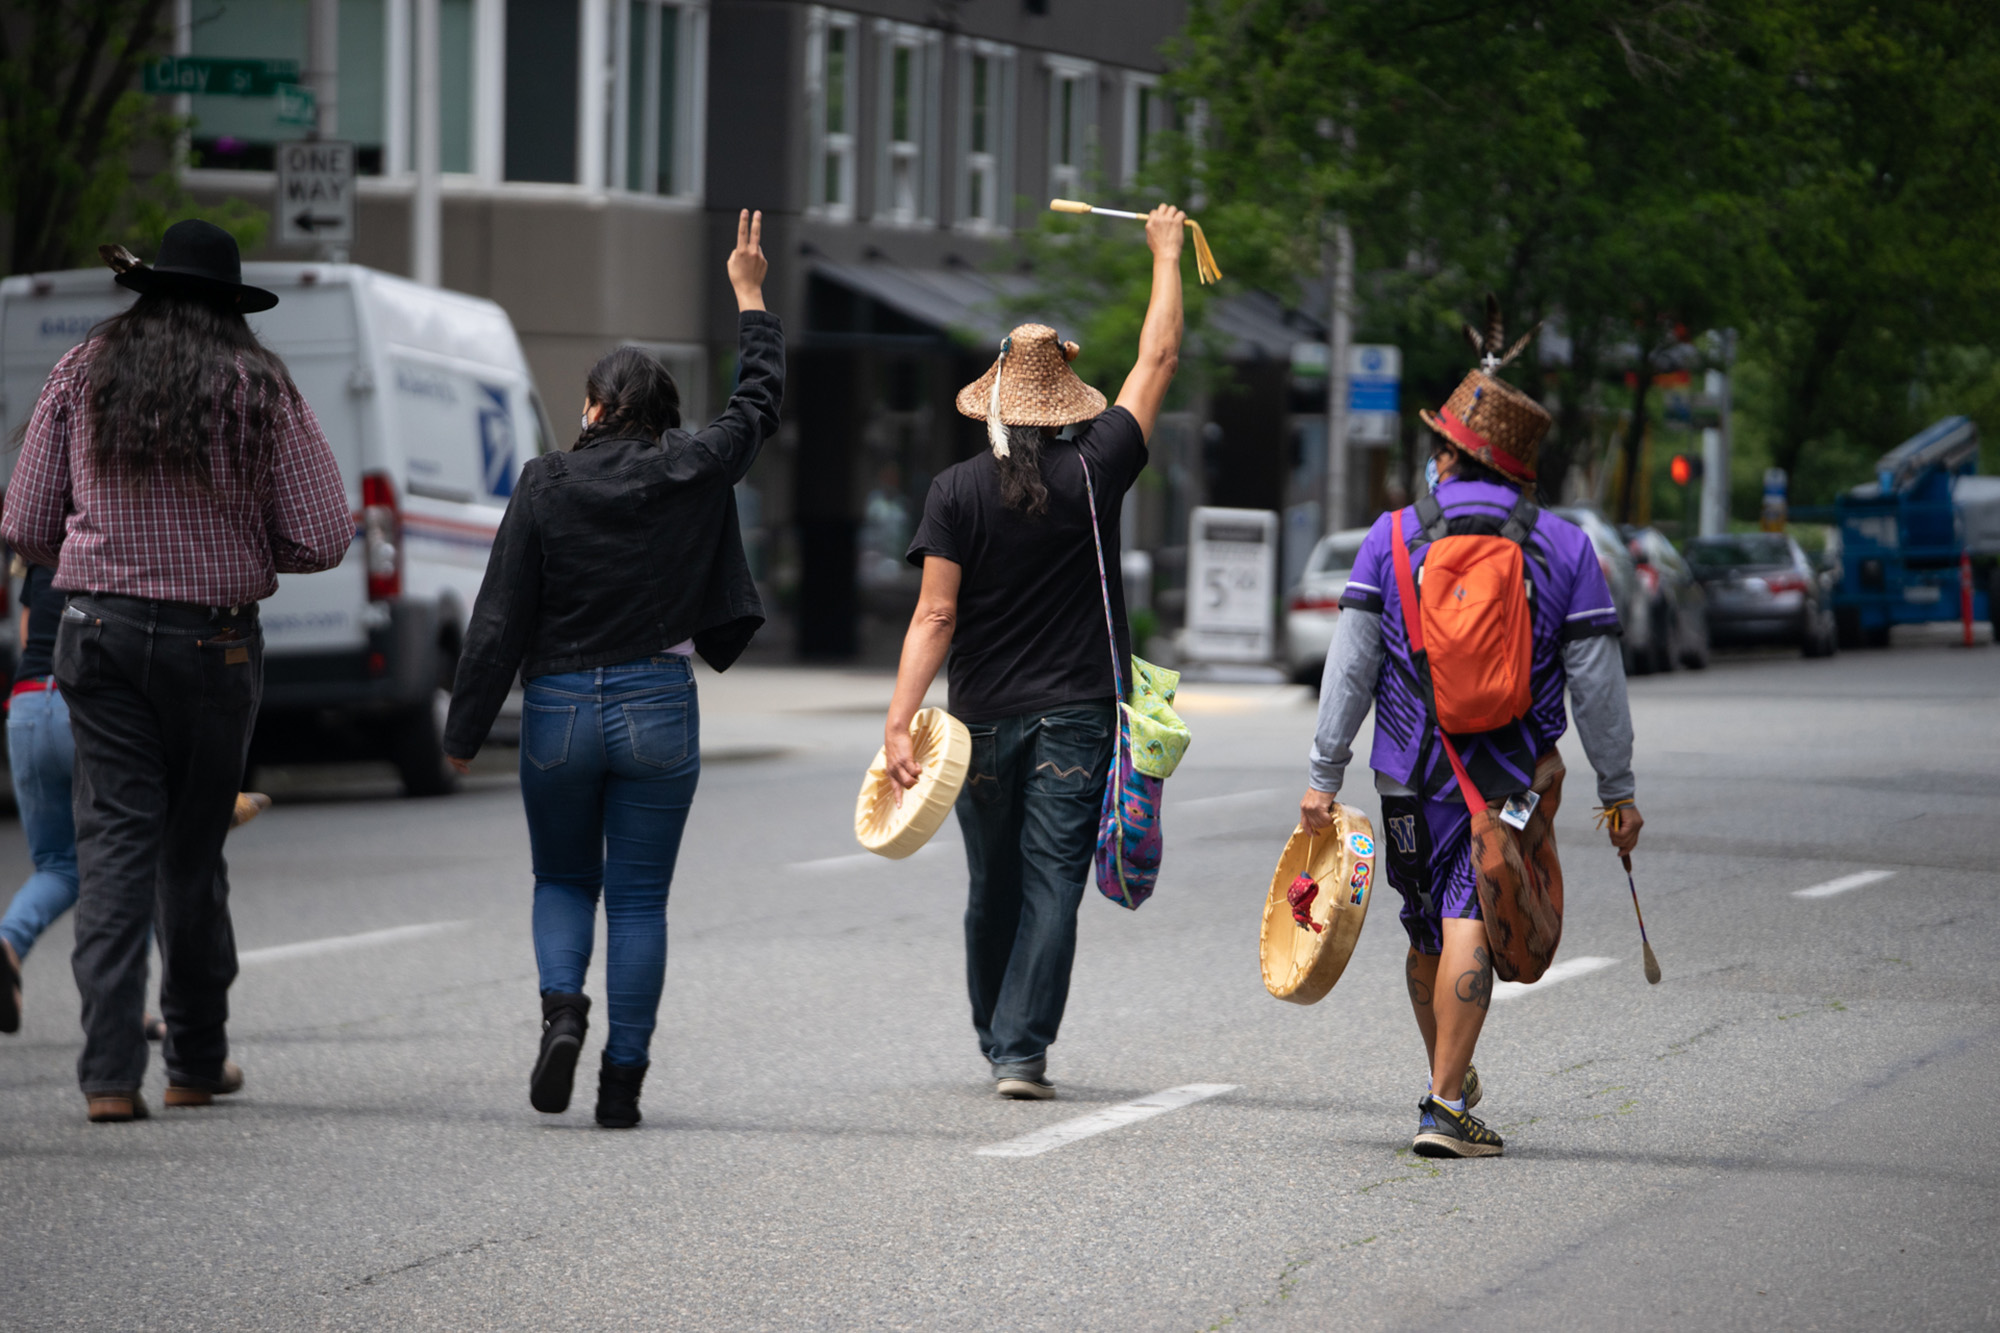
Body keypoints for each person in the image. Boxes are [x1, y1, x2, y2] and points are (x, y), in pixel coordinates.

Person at [0, 220, 351, 1122]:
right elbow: (322, 533)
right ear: (232, 309)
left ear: (150, 294)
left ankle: (108, 1076)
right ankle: (194, 1060)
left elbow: (27, 520)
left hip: (96, 634)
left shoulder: (83, 371)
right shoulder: (260, 386)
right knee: (190, 856)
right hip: (216, 644)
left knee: (113, 848)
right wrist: (240, 540)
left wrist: (97, 550)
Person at [443, 209, 778, 1130]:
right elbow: (757, 404)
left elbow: (500, 612)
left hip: (556, 709)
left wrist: (465, 731)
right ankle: (621, 1084)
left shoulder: (547, 481)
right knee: (638, 900)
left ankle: (562, 1011)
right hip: (658, 704)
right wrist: (749, 296)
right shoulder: (694, 466)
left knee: (562, 880)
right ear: (663, 412)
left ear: (593, 408)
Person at [1297, 312, 1642, 1158]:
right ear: (1519, 469)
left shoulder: (1389, 538)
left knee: (1426, 925)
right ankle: (1445, 1097)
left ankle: (1443, 1083)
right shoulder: (1564, 547)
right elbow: (1598, 684)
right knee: (1474, 918)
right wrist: (1619, 788)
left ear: (1447, 455)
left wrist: (1322, 774)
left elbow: (1350, 668)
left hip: (1408, 775)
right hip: (1511, 779)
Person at [883, 205, 1188, 1100]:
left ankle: (996, 1032)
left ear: (994, 403)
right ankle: (1021, 1049)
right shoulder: (1098, 466)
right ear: (1066, 406)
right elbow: (1157, 359)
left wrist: (900, 722)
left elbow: (933, 619)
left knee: (994, 883)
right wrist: (1165, 254)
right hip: (1077, 716)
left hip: (979, 723)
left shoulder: (955, 490)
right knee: (1054, 879)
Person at [0, 562, 273, 1040]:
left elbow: (28, 635)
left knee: (59, 866)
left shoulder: (46, 558)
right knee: (133, 847)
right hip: (81, 701)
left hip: (26, 706)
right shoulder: (111, 557)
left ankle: (8, 942)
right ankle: (131, 1008)